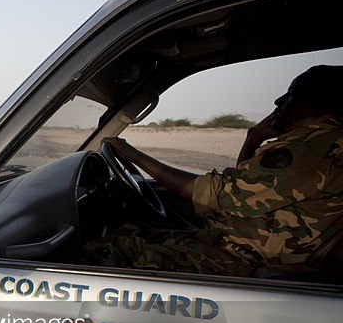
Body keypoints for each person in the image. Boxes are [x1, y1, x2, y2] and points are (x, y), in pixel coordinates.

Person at [95, 65, 343, 275]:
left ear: (319, 102)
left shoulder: (309, 149)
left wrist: (133, 155)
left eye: (291, 95)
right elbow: (246, 190)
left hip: (242, 259)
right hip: (238, 244)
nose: (278, 102)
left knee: (103, 253)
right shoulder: (322, 144)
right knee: (131, 231)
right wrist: (252, 139)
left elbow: (219, 195)